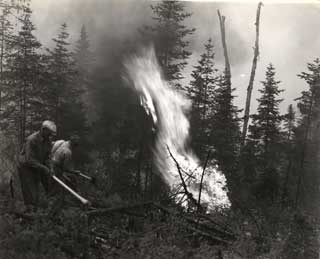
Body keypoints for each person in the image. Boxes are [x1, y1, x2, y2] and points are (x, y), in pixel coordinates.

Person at [18, 120, 56, 208]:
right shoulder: (32, 140)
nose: (50, 136)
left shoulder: (48, 141)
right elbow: (29, 160)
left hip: (37, 167)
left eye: (51, 134)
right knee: (30, 193)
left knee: (37, 191)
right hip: (26, 168)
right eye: (49, 133)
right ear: (43, 129)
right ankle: (29, 214)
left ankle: (35, 210)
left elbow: (48, 157)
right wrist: (44, 168)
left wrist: (50, 168)